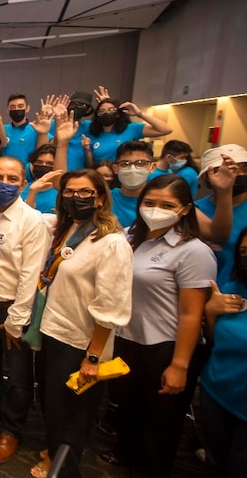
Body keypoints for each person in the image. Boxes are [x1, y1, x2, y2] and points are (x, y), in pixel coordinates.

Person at [101, 175, 215, 477]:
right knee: (127, 405)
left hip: (164, 345)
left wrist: (179, 364)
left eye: (167, 205)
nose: (156, 209)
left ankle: (152, 468)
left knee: (160, 418)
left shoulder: (194, 251)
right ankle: (125, 453)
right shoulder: (129, 237)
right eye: (149, 203)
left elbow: (192, 314)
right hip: (126, 337)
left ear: (185, 209)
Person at [32, 169, 133, 478]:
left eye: (85, 192)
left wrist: (93, 356)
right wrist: (34, 190)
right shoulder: (65, 229)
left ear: (100, 197)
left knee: (72, 415)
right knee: (52, 405)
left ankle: (64, 470)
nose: (76, 198)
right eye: (69, 192)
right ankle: (55, 453)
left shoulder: (112, 243)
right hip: (51, 331)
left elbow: (110, 306)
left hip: (82, 342)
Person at [0, 156, 51, 464]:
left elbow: (31, 275)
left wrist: (18, 318)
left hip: (12, 309)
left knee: (17, 375)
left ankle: (13, 429)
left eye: (12, 178)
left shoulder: (32, 221)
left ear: (23, 184)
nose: (4, 183)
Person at [200, 227, 247, 476]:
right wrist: (210, 311)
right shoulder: (233, 287)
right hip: (216, 391)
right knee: (214, 463)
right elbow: (214, 339)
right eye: (244, 252)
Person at [195, 144, 247, 284]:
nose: (237, 173)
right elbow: (220, 235)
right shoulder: (194, 210)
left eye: (244, 168)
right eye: (224, 169)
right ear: (207, 177)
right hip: (206, 287)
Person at [87, 92, 171, 164]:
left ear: (118, 113)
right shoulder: (93, 133)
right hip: (102, 177)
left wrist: (139, 113)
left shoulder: (131, 129)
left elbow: (166, 129)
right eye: (102, 111)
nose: (106, 113)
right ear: (97, 115)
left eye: (111, 110)